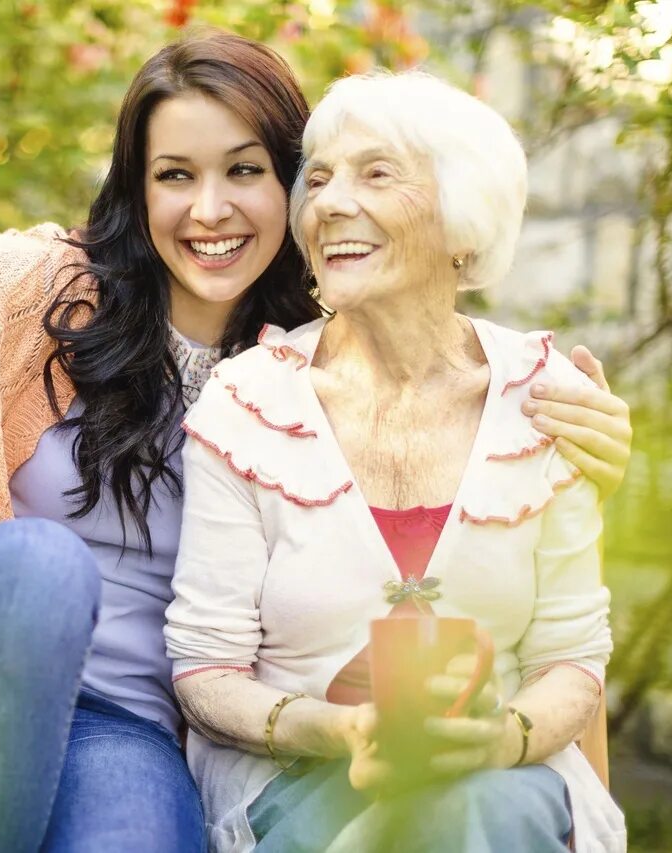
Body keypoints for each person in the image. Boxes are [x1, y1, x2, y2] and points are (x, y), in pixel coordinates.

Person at [0, 32, 632, 852]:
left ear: (296, 188)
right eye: (175, 175)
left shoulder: (319, 356)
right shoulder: (38, 293)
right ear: (138, 189)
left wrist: (579, 439)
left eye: (245, 171)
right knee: (41, 564)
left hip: (127, 730)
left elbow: (458, 475)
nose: (208, 210)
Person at [163, 69, 628, 852]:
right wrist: (339, 730)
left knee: (473, 809)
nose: (330, 203)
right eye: (318, 180)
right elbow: (207, 669)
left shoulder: (546, 400)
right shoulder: (246, 404)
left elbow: (569, 654)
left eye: (377, 173)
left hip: (504, 781)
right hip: (301, 779)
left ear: (465, 220)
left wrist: (501, 739)